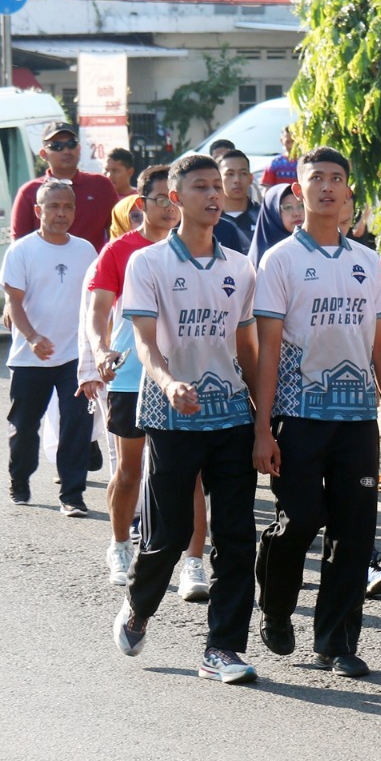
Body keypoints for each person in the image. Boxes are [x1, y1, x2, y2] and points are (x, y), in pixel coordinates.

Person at [251, 147, 381, 679]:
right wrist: (262, 427)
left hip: (356, 420)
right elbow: (268, 349)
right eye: (315, 178)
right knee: (301, 520)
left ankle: (336, 641)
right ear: (297, 191)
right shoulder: (280, 260)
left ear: (348, 192)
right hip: (297, 416)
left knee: (355, 529)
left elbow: (379, 347)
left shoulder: (367, 261)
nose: (326, 187)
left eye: (336, 179)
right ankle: (275, 605)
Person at [110, 154, 262, 685]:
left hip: (231, 419)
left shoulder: (240, 267)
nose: (214, 195)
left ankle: (222, 647)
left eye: (218, 186)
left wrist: (264, 418)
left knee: (239, 535)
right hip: (170, 417)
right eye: (201, 187)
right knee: (169, 535)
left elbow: (248, 348)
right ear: (176, 199)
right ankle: (140, 605)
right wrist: (169, 382)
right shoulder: (147, 264)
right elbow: (145, 346)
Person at [83, 164, 180, 585]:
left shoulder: (194, 249)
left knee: (182, 471)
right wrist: (102, 348)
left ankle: (184, 556)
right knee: (130, 468)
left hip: (181, 376)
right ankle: (120, 544)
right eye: (161, 199)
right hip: (130, 377)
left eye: (175, 199)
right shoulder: (119, 251)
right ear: (142, 204)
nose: (170, 207)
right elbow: (98, 310)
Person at [0, 180, 99, 515]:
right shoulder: (22, 250)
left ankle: (72, 494)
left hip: (75, 355)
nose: (61, 213)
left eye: (68, 206)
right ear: (38, 211)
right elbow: (13, 302)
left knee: (76, 424)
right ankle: (20, 480)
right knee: (25, 426)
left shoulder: (86, 250)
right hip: (30, 357)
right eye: (54, 206)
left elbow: (97, 301)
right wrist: (32, 337)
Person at [11, 122, 119, 251]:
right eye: (57, 146)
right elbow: (19, 242)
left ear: (79, 148)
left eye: (71, 144)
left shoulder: (101, 186)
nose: (66, 151)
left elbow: (119, 231)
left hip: (91, 268)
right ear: (43, 154)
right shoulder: (29, 192)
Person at [212, 149, 260, 254]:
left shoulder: (264, 216)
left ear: (251, 178)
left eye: (243, 173)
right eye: (230, 174)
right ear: (218, 179)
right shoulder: (209, 219)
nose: (237, 180)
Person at [250, 181, 301, 266]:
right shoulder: (262, 260)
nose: (297, 213)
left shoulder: (315, 247)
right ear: (273, 212)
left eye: (301, 206)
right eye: (288, 207)